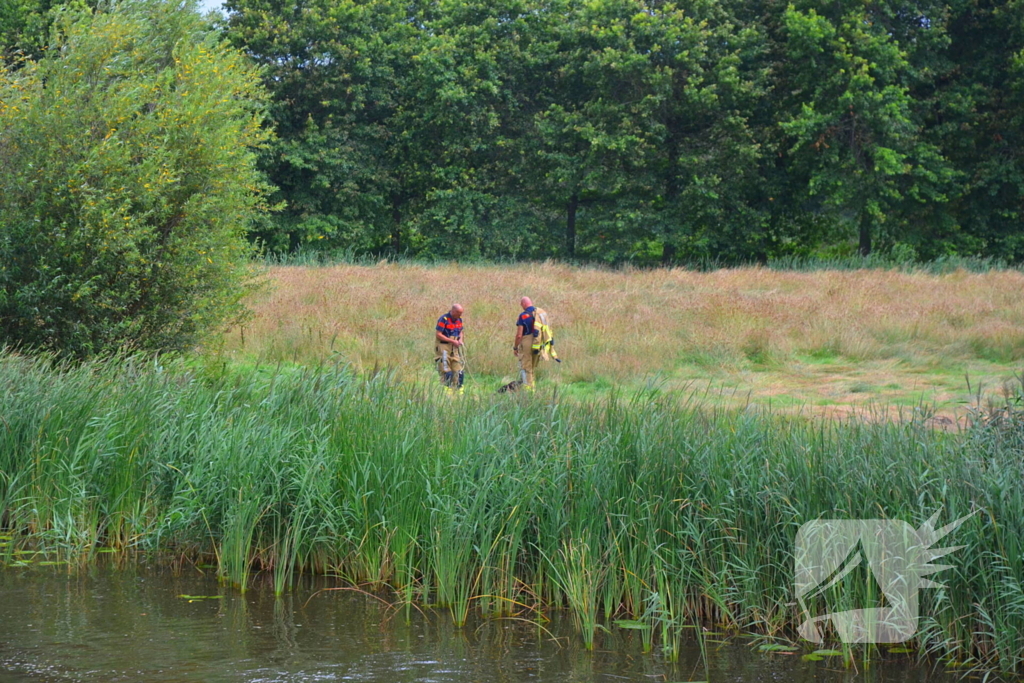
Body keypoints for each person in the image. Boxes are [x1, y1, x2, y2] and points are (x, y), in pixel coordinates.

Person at [513, 296, 546, 391]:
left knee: (525, 367)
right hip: (539, 343)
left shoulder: (523, 316)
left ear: (523, 304)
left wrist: (515, 347)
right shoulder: (539, 314)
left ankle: (528, 390)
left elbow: (519, 335)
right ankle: (533, 388)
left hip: (527, 342)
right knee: (532, 367)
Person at [435, 303, 465, 393]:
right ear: (453, 311)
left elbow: (461, 332)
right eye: (458, 313)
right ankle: (447, 392)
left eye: (461, 313)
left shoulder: (459, 320)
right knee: (446, 371)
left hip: (454, 348)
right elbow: (438, 334)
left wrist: (460, 340)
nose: (460, 315)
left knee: (459, 371)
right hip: (444, 347)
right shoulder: (443, 319)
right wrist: (452, 341)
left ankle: (459, 392)